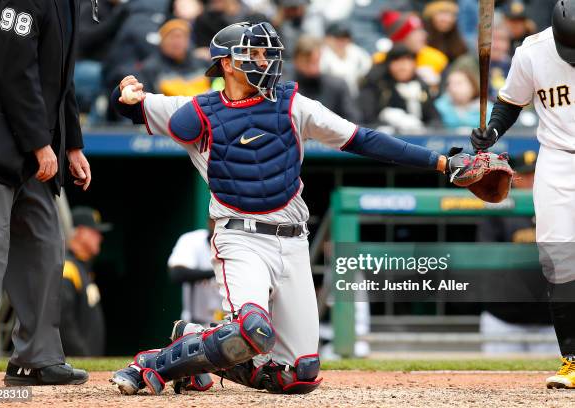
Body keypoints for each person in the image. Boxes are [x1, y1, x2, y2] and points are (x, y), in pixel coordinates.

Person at [108, 21, 460, 396]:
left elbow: (363, 138)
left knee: (299, 375)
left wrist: (443, 163)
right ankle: (154, 364)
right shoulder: (197, 111)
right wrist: (123, 91)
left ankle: (194, 346)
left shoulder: (292, 103)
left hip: (293, 241)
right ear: (227, 64)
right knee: (252, 328)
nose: (266, 62)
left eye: (268, 54)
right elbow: (131, 105)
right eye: (254, 55)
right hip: (240, 237)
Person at [0, 0, 91, 390]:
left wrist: (72, 144)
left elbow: (61, 81)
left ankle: (36, 358)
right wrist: (39, 143)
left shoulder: (68, 3)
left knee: (46, 247)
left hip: (37, 152)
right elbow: (14, 70)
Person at [470, 0, 575, 389]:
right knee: (559, 260)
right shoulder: (534, 51)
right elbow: (510, 102)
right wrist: (492, 132)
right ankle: (573, 359)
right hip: (559, 159)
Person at [477, 151, 557, 354]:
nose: (531, 181)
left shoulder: (560, 208)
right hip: (504, 318)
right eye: (525, 176)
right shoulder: (497, 210)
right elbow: (488, 259)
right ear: (513, 179)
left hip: (552, 320)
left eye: (535, 175)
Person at [60, 207, 112, 357]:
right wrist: (82, 355)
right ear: (81, 232)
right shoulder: (68, 267)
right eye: (95, 232)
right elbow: (63, 322)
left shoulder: (83, 269)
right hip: (73, 361)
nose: (100, 238)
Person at [359, 45, 439, 132]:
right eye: (397, 61)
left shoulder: (422, 86)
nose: (402, 66)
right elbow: (367, 118)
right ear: (388, 64)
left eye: (407, 60)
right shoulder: (377, 85)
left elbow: (434, 118)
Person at [289, 35, 361, 122]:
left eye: (316, 61)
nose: (313, 68)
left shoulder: (338, 86)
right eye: (307, 62)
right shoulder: (284, 89)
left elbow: (353, 122)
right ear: (295, 61)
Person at [168, 219, 224, 327]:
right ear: (211, 222)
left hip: (229, 325)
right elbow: (176, 273)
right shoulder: (192, 240)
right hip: (196, 326)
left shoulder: (240, 248)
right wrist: (217, 272)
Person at [135, 19, 211, 97]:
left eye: (181, 37)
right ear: (162, 41)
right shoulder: (149, 68)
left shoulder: (202, 63)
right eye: (172, 37)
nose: (177, 42)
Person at [378, 10, 449, 87]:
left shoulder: (435, 58)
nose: (424, 35)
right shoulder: (381, 60)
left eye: (422, 30)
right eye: (416, 32)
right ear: (402, 38)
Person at [319, 21, 371, 98]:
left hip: (353, 96)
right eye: (338, 37)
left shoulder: (354, 51)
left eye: (345, 37)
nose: (342, 41)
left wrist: (360, 78)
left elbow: (367, 65)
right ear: (328, 38)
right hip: (329, 97)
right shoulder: (323, 53)